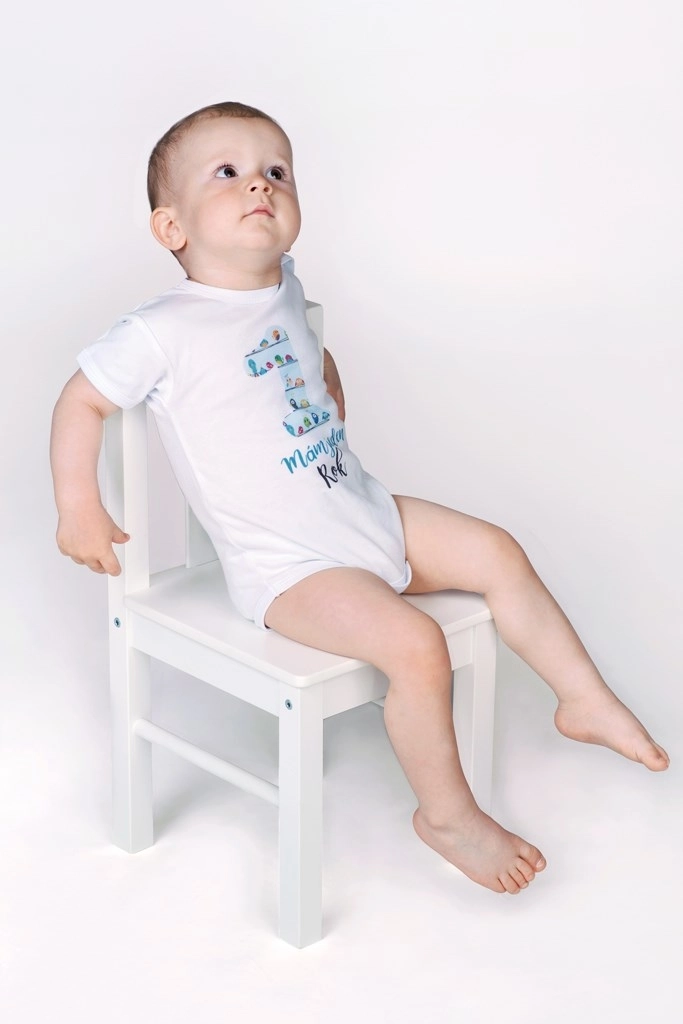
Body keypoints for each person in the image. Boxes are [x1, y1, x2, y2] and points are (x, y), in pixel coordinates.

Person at [50, 101, 669, 897]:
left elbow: (290, 343)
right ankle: (446, 816)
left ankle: (580, 698)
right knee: (415, 645)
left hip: (360, 513)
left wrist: (324, 368)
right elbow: (80, 402)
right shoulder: (160, 330)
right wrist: (79, 505)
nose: (260, 185)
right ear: (171, 228)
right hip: (288, 568)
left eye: (276, 171)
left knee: (497, 551)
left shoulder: (282, 286)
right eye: (227, 173)